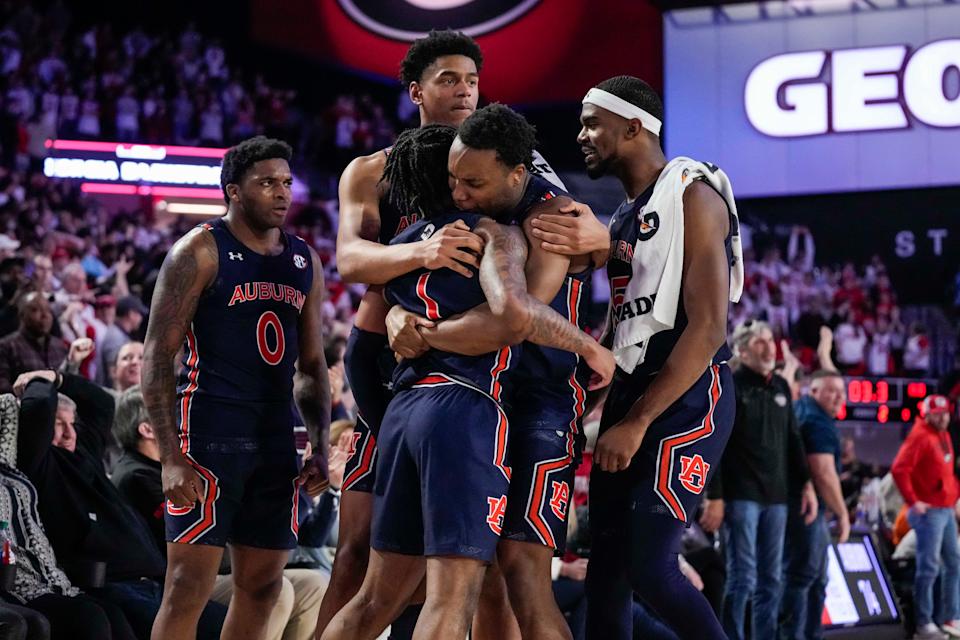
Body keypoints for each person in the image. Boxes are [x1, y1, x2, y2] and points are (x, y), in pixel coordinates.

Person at [322, 124, 612, 640]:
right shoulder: (493, 233)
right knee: (455, 596)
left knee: (379, 596)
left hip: (408, 410)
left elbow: (361, 348)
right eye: (456, 179)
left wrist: (409, 330)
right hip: (468, 410)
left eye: (470, 182)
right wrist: (588, 345)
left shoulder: (404, 246)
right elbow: (514, 315)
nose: (461, 191)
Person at [543, 75, 742, 639]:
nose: (581, 135)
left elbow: (706, 328)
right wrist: (586, 392)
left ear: (632, 127)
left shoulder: (692, 194)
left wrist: (636, 422)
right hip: (636, 391)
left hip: (687, 396)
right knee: (607, 573)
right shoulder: (627, 215)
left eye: (591, 123)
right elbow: (625, 326)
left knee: (652, 568)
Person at [316, 30, 486, 638]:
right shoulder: (371, 171)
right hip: (382, 363)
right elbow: (351, 260)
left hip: (463, 363)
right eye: (448, 79)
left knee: (453, 563)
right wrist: (422, 252)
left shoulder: (493, 165)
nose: (464, 90)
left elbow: (568, 230)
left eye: (471, 79)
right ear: (416, 90)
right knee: (359, 550)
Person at [142, 136, 331, 640]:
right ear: (233, 191)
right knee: (186, 586)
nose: (281, 193)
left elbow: (313, 365)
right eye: (267, 182)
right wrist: (169, 455)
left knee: (265, 588)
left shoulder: (304, 260)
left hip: (274, 437)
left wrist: (321, 445)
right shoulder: (198, 250)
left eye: (287, 182)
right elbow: (157, 357)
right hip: (208, 431)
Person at [12, 370, 226, 639]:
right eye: (57, 423)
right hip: (113, 586)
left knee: (230, 626)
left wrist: (60, 377)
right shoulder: (39, 463)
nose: (68, 433)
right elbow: (40, 405)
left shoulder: (84, 452)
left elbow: (101, 403)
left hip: (158, 583)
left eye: (72, 423)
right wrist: (40, 381)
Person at [111, 386, 329, 640]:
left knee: (313, 585)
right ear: (148, 429)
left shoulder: (188, 463)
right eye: (175, 414)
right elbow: (200, 536)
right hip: (180, 576)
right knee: (276, 593)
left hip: (225, 567)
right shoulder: (135, 476)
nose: (184, 420)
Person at [700, 320, 817, 640]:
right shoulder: (731, 385)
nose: (769, 348)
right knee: (742, 579)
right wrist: (716, 495)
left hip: (777, 497)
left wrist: (806, 484)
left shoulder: (780, 387)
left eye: (771, 341)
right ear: (741, 349)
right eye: (760, 342)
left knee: (771, 580)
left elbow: (793, 439)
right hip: (741, 497)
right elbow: (715, 445)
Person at [781, 370, 851, 640]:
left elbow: (828, 374)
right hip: (803, 508)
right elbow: (823, 472)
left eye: (842, 392)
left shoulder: (805, 408)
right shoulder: (816, 420)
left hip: (796, 506)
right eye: (831, 391)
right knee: (802, 577)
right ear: (814, 391)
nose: (838, 397)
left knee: (813, 579)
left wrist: (824, 349)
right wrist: (843, 514)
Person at [891, 395, 960, 640]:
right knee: (929, 568)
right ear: (927, 414)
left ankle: (950, 617)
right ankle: (924, 623)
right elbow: (899, 468)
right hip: (929, 512)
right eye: (938, 414)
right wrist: (913, 501)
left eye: (946, 413)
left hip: (945, 509)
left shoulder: (943, 434)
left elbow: (946, 471)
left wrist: (952, 499)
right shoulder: (920, 436)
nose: (943, 417)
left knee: (954, 562)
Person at [0, 293, 68, 393]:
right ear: (22, 315)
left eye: (48, 310)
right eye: (36, 310)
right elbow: (3, 388)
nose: (45, 315)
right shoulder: (7, 346)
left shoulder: (59, 346)